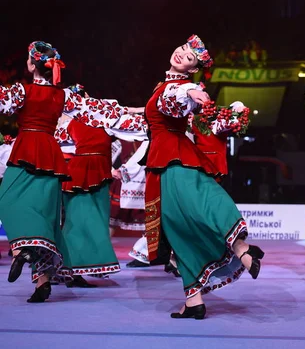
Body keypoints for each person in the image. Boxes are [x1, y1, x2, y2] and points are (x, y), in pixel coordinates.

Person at [0, 40, 139, 303]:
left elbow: (2, 102)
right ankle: (41, 283)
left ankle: (24, 250)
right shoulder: (64, 95)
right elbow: (104, 113)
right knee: (47, 215)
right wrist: (143, 114)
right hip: (50, 154)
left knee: (7, 201)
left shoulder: (22, 91)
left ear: (31, 65)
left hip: (27, 147)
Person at [143, 35, 263, 319]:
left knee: (203, 204)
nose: (182, 53)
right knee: (178, 230)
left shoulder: (182, 87)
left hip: (173, 158)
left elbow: (182, 97)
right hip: (165, 160)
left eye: (190, 56)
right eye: (182, 48)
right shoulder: (164, 86)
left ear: (194, 69)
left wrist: (192, 94)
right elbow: (161, 106)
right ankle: (193, 300)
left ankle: (243, 248)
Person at [54, 84, 146, 287]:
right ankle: (68, 270)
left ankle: (80, 268)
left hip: (99, 173)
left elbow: (125, 115)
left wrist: (144, 111)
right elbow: (55, 145)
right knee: (76, 223)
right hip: (79, 173)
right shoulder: (68, 122)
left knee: (95, 223)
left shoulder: (103, 116)